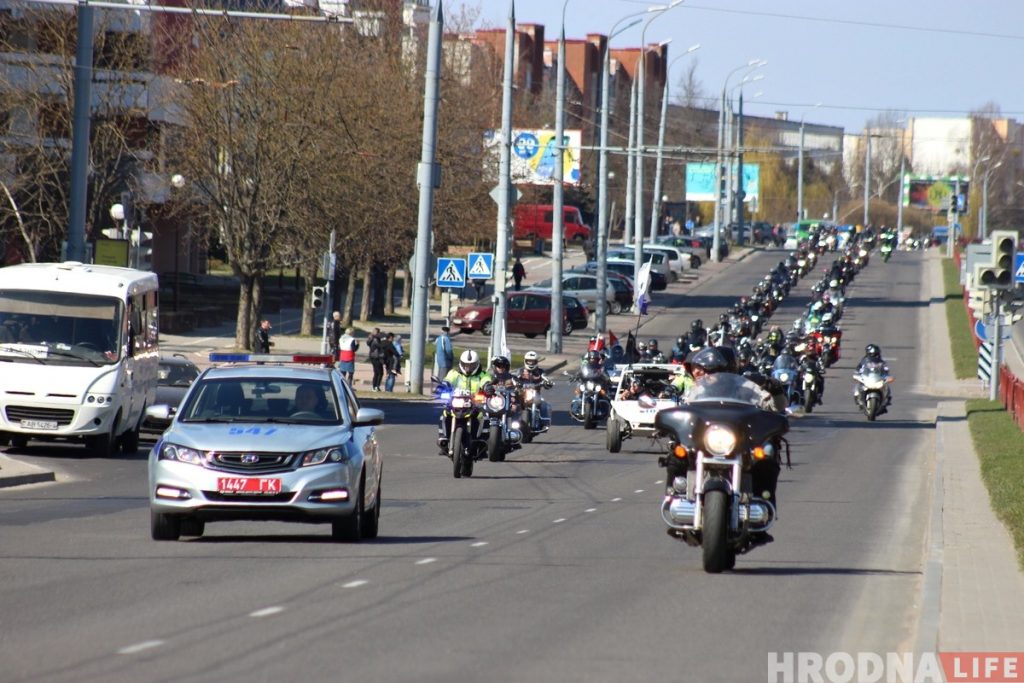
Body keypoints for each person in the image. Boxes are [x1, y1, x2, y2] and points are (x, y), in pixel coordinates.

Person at [367, 327, 385, 392]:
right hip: (376, 356)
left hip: (372, 356)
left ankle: (375, 386)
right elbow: (379, 346)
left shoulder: (371, 338)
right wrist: (383, 340)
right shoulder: (376, 339)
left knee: (376, 372)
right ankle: (376, 386)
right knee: (379, 372)